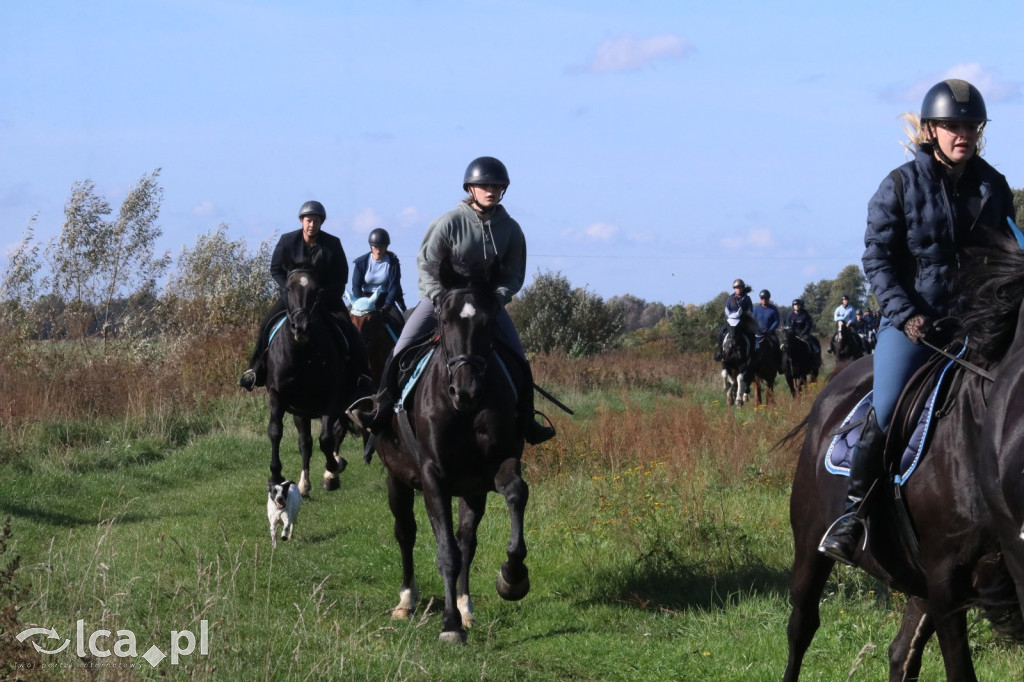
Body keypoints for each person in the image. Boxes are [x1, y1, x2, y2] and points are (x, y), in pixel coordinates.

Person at [819, 79, 1016, 565]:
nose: (962, 133)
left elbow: (1012, 248)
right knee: (886, 409)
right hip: (913, 326)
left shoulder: (992, 187)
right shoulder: (900, 184)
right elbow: (878, 258)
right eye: (952, 126)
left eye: (971, 126)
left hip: (975, 325)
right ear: (930, 130)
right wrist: (905, 315)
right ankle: (853, 514)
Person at [347, 156, 556, 445]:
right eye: (483, 185)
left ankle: (527, 420)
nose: (490, 190)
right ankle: (380, 411)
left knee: (519, 359)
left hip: (485, 308)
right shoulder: (448, 223)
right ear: (470, 188)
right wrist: (437, 297)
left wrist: (497, 300)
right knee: (402, 349)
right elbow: (425, 262)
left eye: (496, 185)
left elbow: (514, 275)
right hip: (441, 303)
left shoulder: (511, 230)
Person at [239, 200, 368, 391]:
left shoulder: (333, 244)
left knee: (349, 329)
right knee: (266, 323)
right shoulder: (287, 241)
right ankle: (256, 370)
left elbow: (341, 278)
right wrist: (288, 289)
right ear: (301, 221)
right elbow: (275, 269)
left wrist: (324, 294)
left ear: (320, 223)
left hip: (325, 299)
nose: (311, 225)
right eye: (308, 220)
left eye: (315, 221)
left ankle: (361, 376)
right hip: (295, 299)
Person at [350, 227, 407, 329]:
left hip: (385, 299)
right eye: (376, 247)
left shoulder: (393, 263)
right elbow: (355, 286)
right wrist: (362, 303)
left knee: (400, 321)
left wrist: (387, 305)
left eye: (382, 247)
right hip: (365, 299)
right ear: (371, 247)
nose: (379, 250)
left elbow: (394, 286)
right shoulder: (361, 263)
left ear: (386, 247)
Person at [714, 279, 754, 360]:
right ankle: (720, 352)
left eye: (740, 287)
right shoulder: (730, 298)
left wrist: (743, 316)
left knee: (752, 334)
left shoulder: (747, 299)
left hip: (742, 322)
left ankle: (752, 353)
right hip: (731, 321)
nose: (738, 289)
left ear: (743, 288)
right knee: (721, 332)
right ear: (734, 288)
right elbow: (726, 310)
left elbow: (750, 310)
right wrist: (729, 317)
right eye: (736, 287)